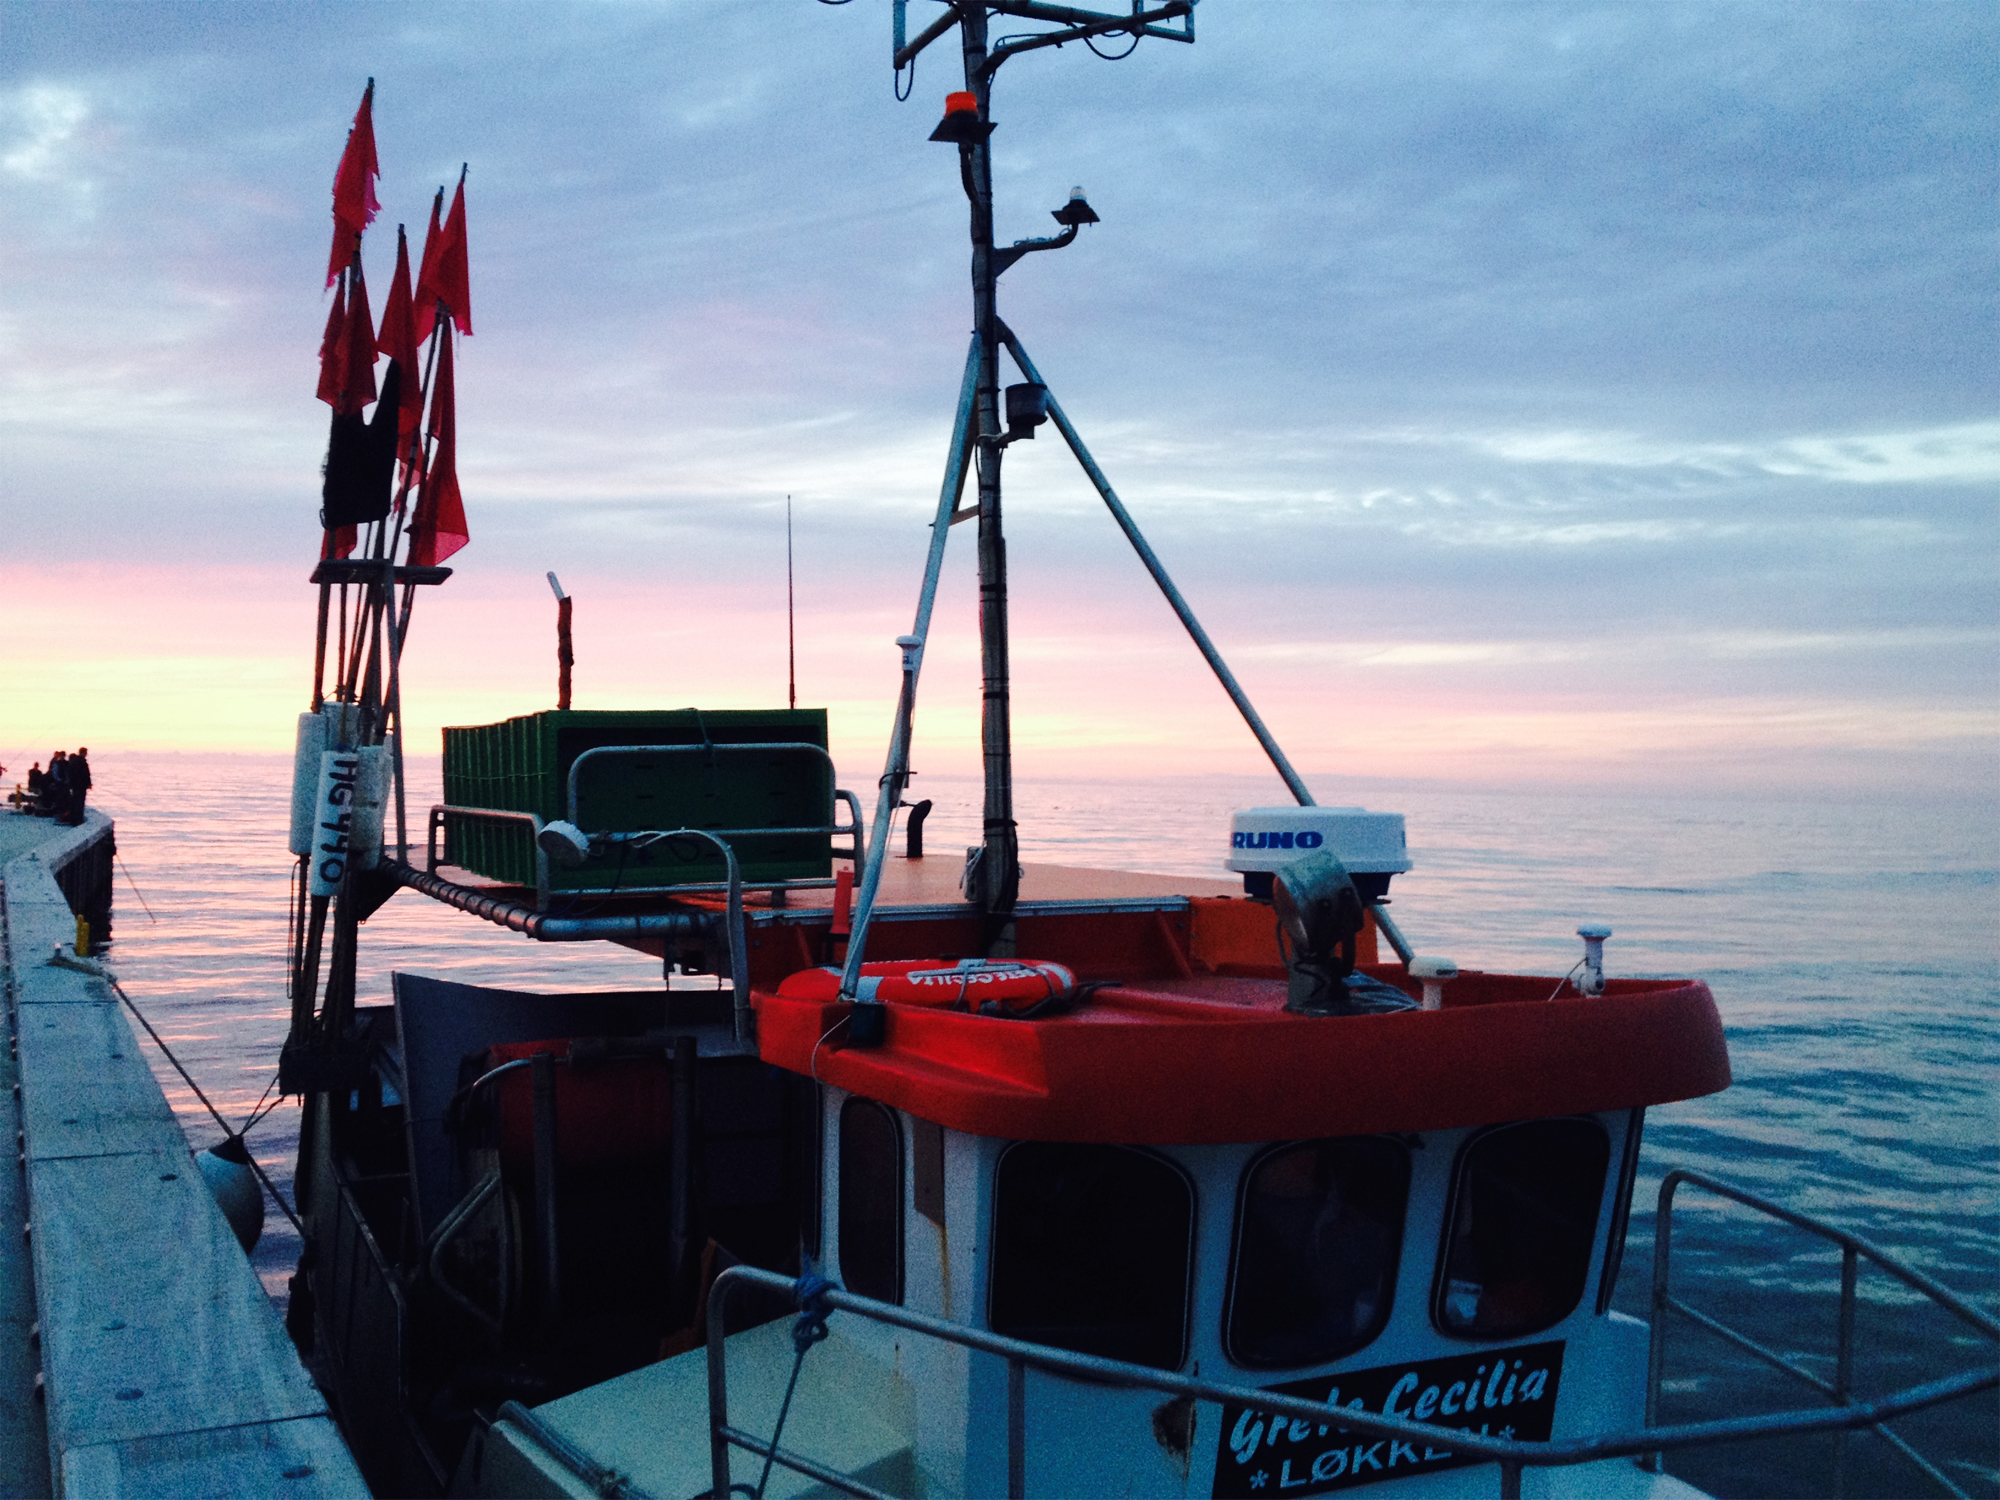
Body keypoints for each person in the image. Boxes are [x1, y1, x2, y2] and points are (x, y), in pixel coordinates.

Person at [65, 748, 92, 825]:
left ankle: (73, 819)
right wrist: (88, 784)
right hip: (81, 785)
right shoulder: (83, 762)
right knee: (80, 802)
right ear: (83, 753)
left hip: (74, 785)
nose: (86, 754)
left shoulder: (73, 761)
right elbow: (86, 774)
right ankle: (79, 819)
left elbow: (70, 773)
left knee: (74, 801)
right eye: (86, 753)